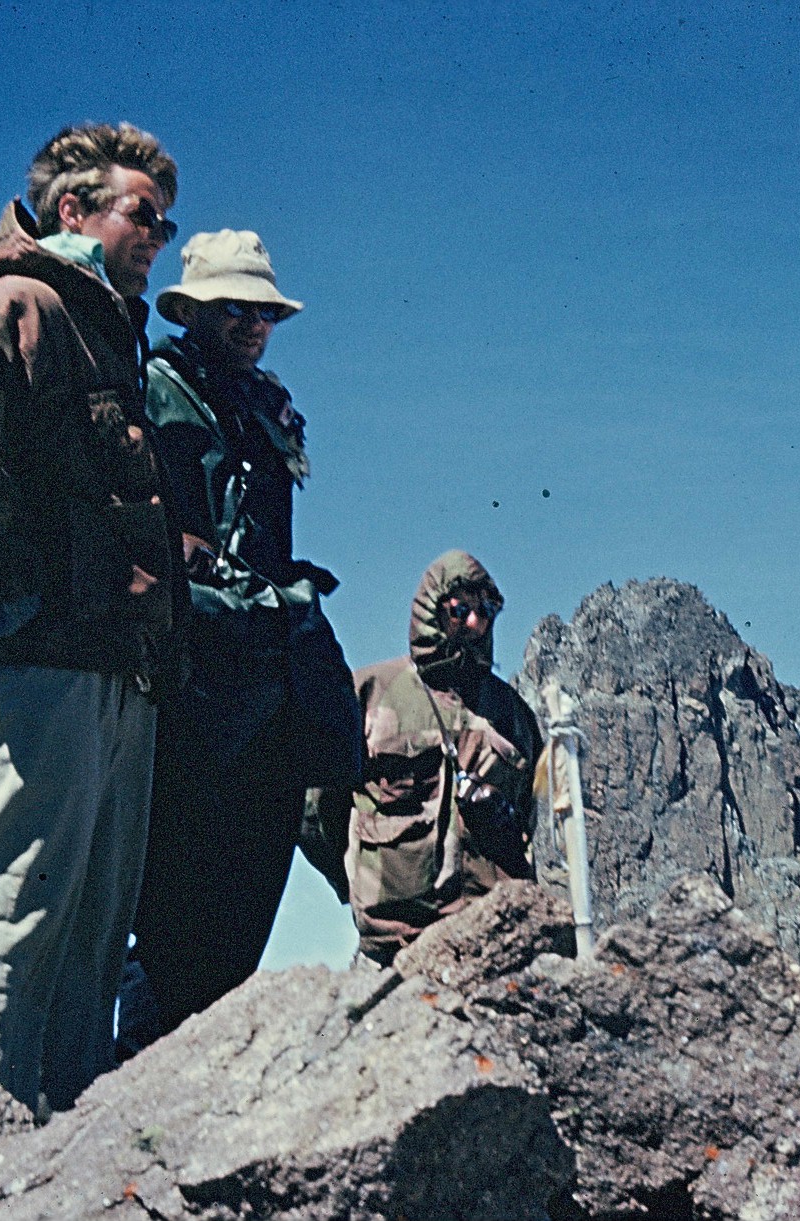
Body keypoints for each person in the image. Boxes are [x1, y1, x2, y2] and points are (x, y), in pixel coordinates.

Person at [0, 123, 180, 1114]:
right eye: (145, 215)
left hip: (101, 675)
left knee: (86, 952)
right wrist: (20, 585)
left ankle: (64, 1177)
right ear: (74, 210)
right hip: (36, 672)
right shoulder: (25, 303)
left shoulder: (103, 333)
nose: (160, 237)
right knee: (8, 937)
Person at [116, 231, 359, 1055]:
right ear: (192, 311)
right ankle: (132, 1096)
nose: (254, 324)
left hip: (270, 675)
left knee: (247, 901)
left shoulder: (267, 403)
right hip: (196, 677)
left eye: (265, 312)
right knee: (171, 919)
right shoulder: (156, 387)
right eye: (234, 308)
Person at [326, 551, 542, 965]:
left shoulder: (513, 715)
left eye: (486, 611)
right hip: (396, 941)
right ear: (431, 611)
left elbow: (531, 823)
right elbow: (318, 807)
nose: (475, 623)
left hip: (494, 938)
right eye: (460, 610)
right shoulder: (369, 693)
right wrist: (352, 880)